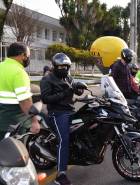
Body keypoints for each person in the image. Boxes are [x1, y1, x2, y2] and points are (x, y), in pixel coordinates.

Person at [40, 53, 84, 185]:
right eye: (60, 66)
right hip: (57, 113)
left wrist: (79, 89)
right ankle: (61, 175)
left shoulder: (68, 78)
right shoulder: (47, 79)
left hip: (70, 111)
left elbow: (76, 92)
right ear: (55, 66)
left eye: (65, 66)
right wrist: (65, 92)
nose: (63, 68)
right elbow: (46, 99)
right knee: (63, 140)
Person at [0, 42, 40, 139]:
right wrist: (34, 121)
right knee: (15, 152)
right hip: (14, 124)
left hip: (2, 122)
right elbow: (25, 101)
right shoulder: (19, 72)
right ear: (23, 55)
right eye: (28, 56)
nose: (28, 59)